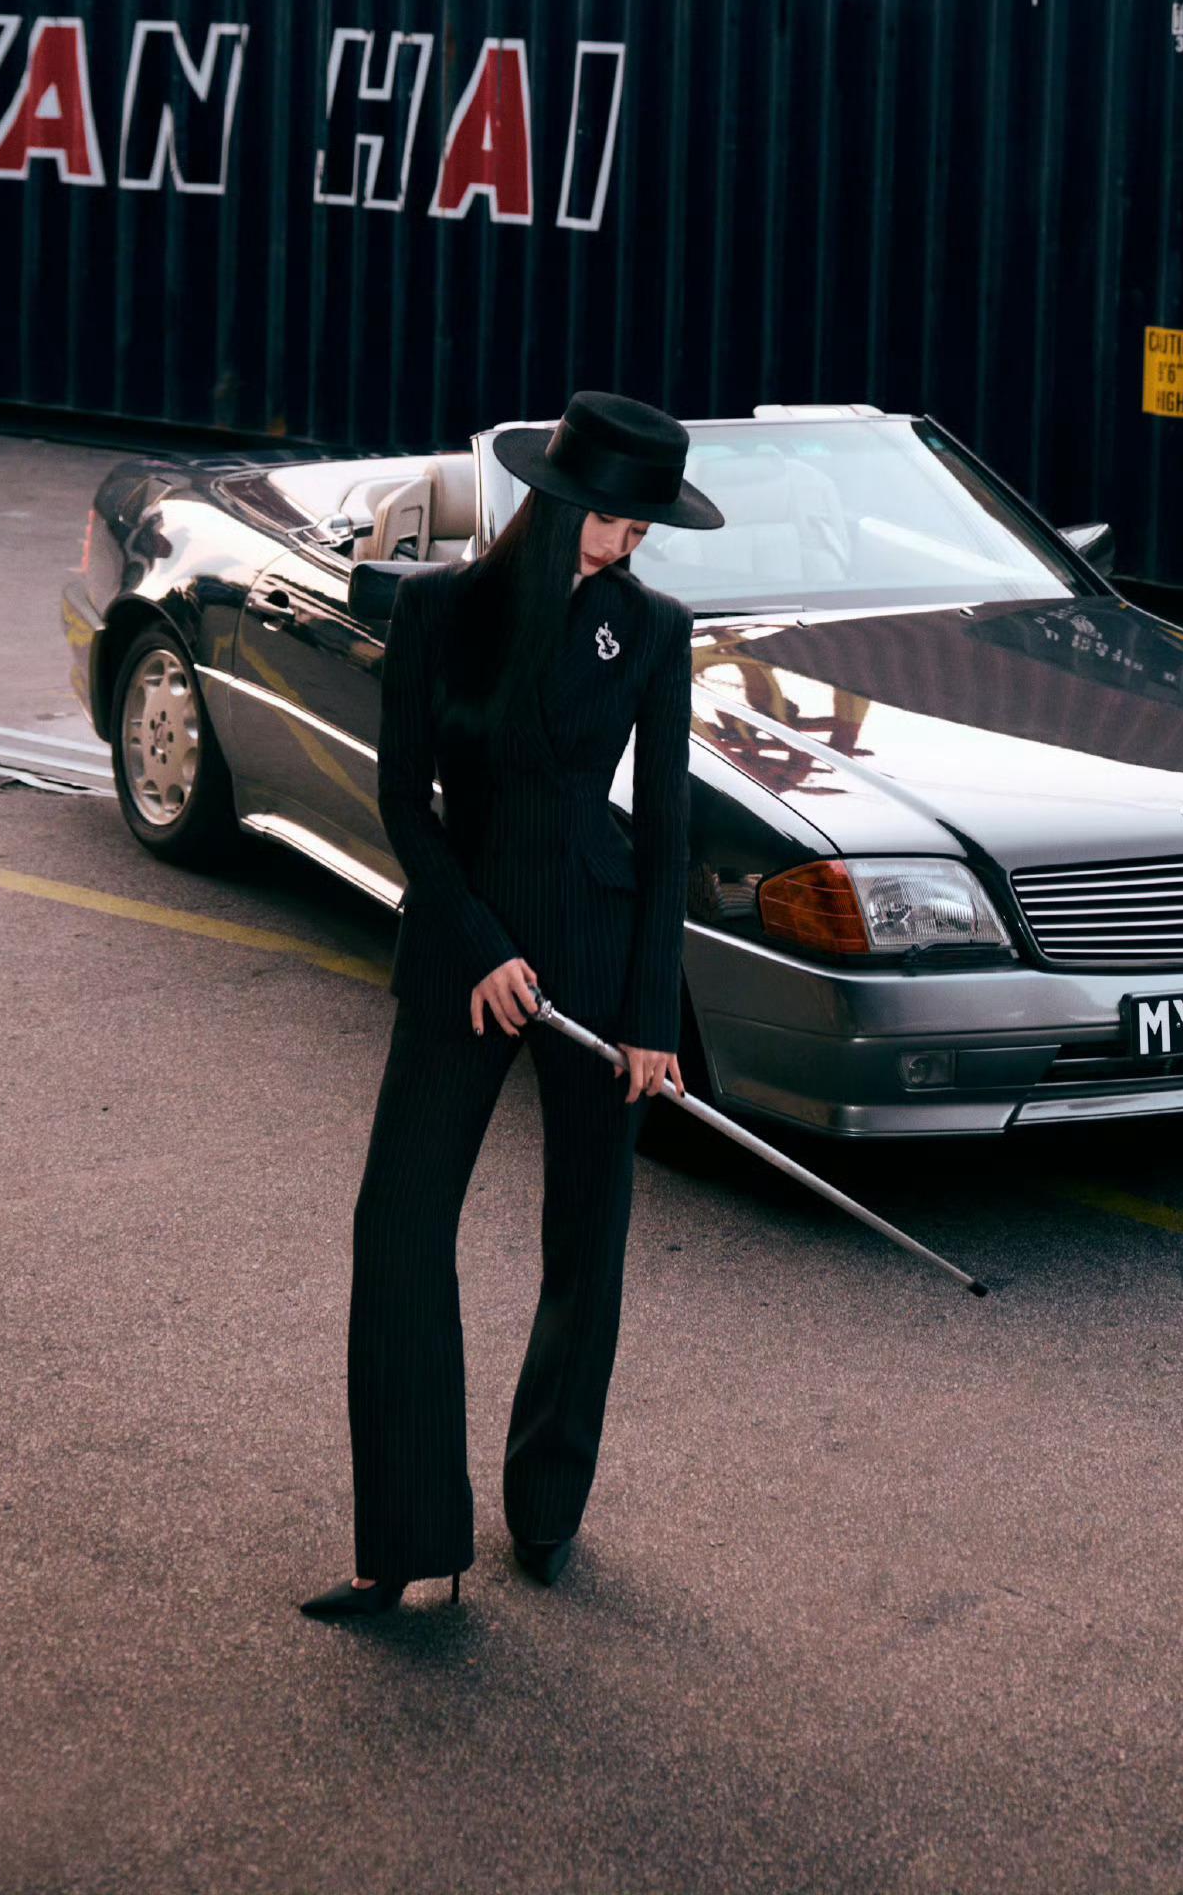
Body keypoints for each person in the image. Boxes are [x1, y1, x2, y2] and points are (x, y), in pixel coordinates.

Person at [300, 390, 723, 1621]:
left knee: (586, 1239)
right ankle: (407, 1541)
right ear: (559, 497)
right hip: (462, 946)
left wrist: (650, 1020)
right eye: (613, 519)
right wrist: (480, 945)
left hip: (598, 946)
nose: (628, 543)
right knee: (396, 1222)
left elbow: (664, 832)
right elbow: (403, 802)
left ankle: (546, 1505)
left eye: (644, 528)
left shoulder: (655, 630)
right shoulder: (439, 610)